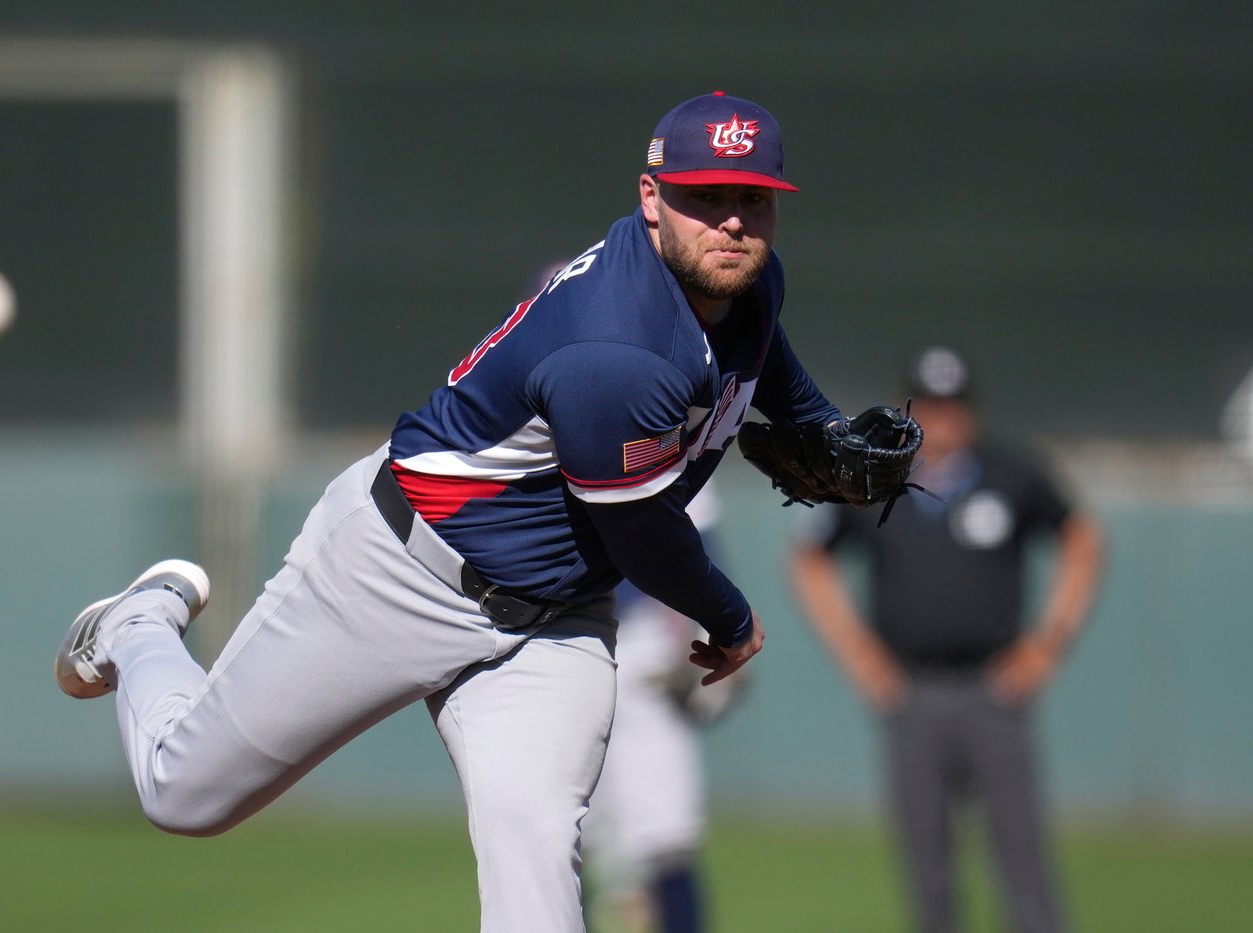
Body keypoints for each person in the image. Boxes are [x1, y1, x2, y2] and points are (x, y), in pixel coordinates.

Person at [55, 90, 852, 932]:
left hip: (555, 623)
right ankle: (139, 624)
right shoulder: (612, 346)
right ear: (652, 200)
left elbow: (768, 358)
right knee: (186, 793)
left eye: (751, 199)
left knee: (535, 867)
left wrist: (827, 430)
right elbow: (642, 531)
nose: (731, 223)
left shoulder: (744, 283)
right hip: (400, 571)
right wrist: (728, 617)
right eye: (705, 197)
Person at [787, 346, 1105, 933]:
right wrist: (859, 656)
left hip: (995, 692)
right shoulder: (873, 479)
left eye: (953, 404)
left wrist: (1048, 643)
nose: (943, 419)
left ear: (972, 409)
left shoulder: (1012, 472)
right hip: (912, 694)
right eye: (929, 405)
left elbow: (1082, 539)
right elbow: (810, 558)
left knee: (1024, 867)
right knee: (929, 874)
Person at [583, 480, 743, 933]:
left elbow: (701, 549)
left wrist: (716, 636)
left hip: (642, 643)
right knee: (562, 839)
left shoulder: (675, 432)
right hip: (556, 638)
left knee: (665, 835)